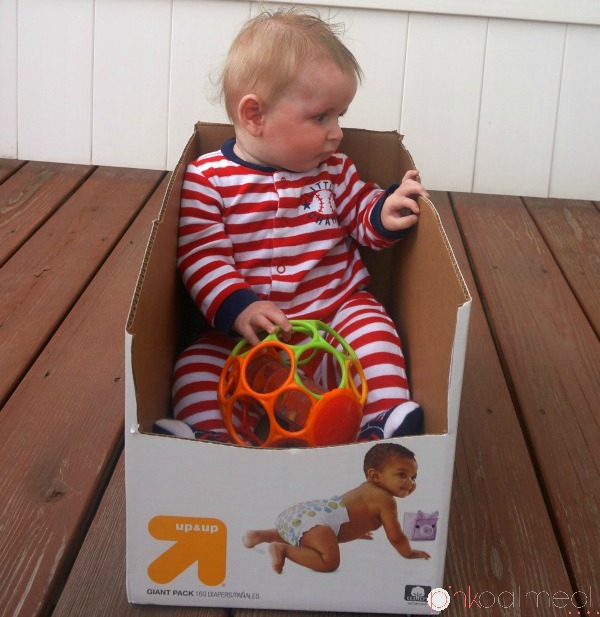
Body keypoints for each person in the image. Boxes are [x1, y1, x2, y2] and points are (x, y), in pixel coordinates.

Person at [171, 8, 429, 443]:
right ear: (254, 115)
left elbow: (361, 212)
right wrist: (241, 309)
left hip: (333, 324)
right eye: (322, 117)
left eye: (340, 116)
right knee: (194, 366)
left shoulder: (333, 170)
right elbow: (201, 256)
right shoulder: (207, 179)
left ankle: (380, 420)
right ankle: (208, 439)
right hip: (247, 341)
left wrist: (384, 211)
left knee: (373, 325)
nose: (337, 133)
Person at [242, 443, 431, 573]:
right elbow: (395, 536)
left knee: (304, 533)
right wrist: (408, 552)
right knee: (329, 561)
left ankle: (259, 535)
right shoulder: (386, 500)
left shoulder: (366, 490)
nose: (410, 482)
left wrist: (359, 530)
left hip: (301, 514)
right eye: (402, 475)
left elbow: (346, 515)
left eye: (413, 477)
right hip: (317, 523)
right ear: (375, 476)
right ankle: (283, 550)